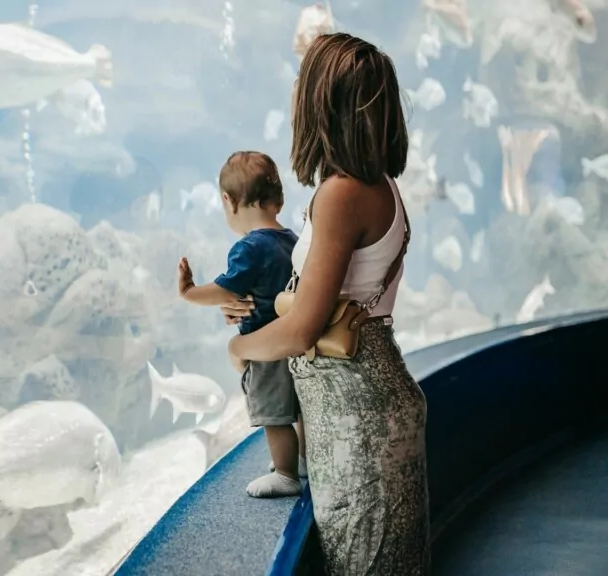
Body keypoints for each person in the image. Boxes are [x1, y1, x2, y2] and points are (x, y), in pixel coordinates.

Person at [222, 34, 430, 574]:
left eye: (303, 80)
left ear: (325, 100)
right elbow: (337, 296)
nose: (294, 90)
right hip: (373, 398)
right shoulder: (379, 185)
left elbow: (303, 330)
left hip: (356, 416)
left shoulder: (341, 194)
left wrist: (240, 344)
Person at [177, 150, 307, 498]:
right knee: (299, 409)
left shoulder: (248, 248)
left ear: (229, 201)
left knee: (274, 416)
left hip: (266, 347)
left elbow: (225, 289)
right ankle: (305, 461)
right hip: (297, 344)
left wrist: (191, 292)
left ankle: (285, 473)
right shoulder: (292, 241)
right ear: (278, 199)